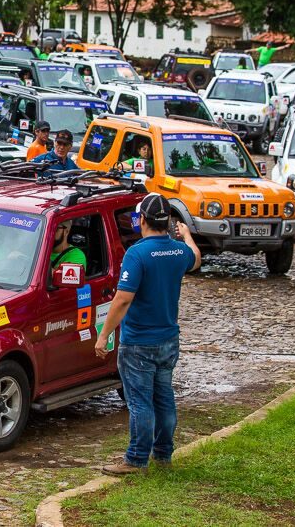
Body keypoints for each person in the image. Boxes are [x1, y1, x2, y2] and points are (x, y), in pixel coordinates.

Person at [95, 193, 201, 474]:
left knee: (140, 403)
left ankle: (136, 458)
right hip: (168, 340)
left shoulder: (137, 254)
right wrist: (187, 235)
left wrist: (103, 334)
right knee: (164, 397)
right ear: (167, 222)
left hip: (139, 342)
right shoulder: (179, 251)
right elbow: (196, 259)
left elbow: (122, 299)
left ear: (142, 220)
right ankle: (163, 454)